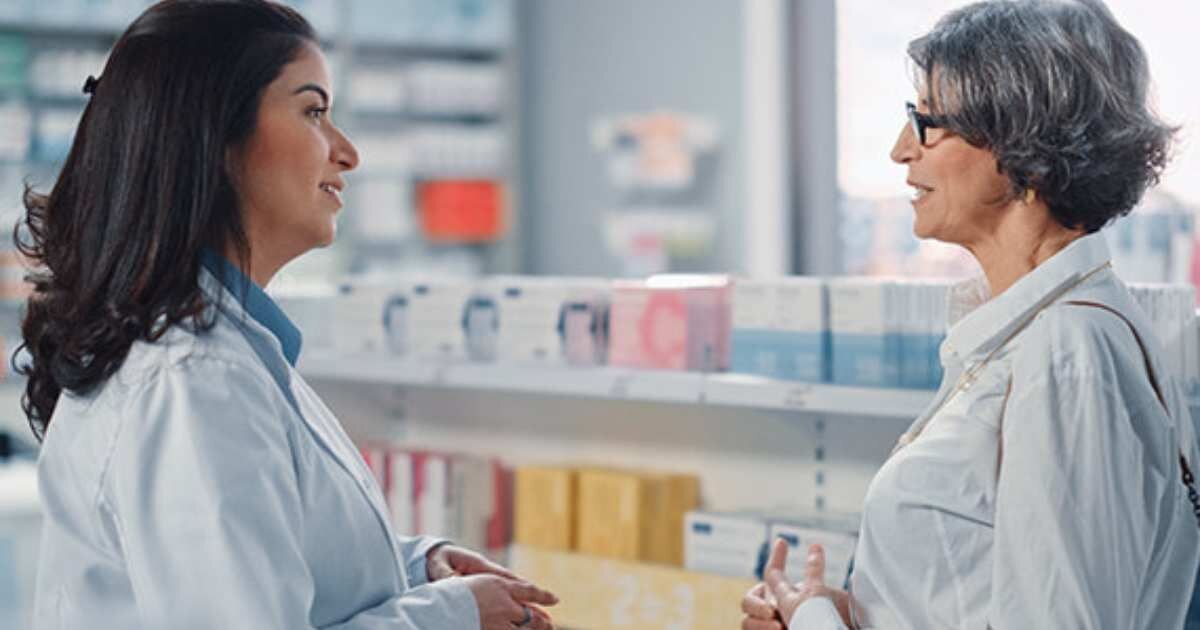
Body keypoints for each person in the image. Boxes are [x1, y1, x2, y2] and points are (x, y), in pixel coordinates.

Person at [20, 1, 556, 628]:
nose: (347, 152)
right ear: (216, 137)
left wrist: (417, 568)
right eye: (313, 112)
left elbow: (280, 557)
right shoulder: (194, 381)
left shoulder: (225, 352)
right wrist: (448, 618)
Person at [741, 0, 1199, 628]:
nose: (903, 150)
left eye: (927, 121)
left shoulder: (1066, 354)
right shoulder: (1045, 332)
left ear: (1026, 150)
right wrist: (852, 615)